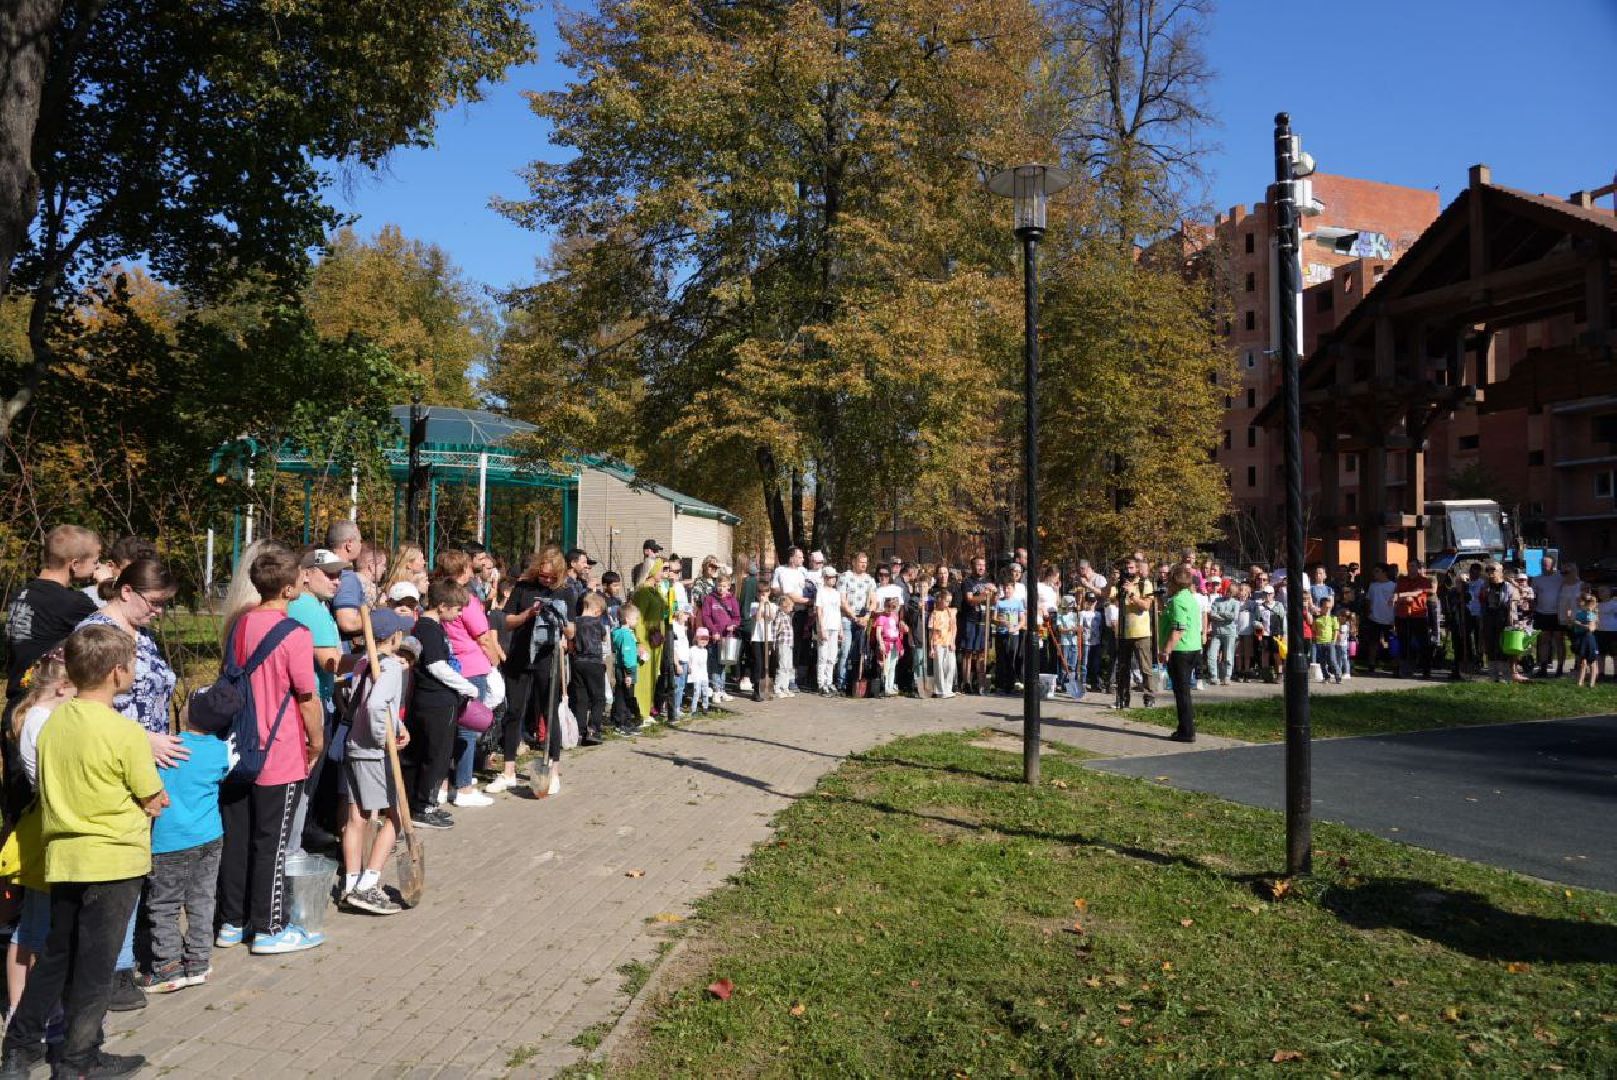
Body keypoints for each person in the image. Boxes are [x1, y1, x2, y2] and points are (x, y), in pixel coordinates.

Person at [0, 625, 165, 1079]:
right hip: (113, 860)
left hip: (65, 857)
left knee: (56, 955)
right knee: (95, 968)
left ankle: (18, 1048)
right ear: (118, 672)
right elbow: (151, 796)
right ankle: (76, 1062)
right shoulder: (124, 732)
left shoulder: (50, 724)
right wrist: (151, 799)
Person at [215, 546, 327, 957]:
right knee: (272, 843)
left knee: (238, 837)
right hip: (279, 750)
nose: (303, 580)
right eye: (299, 576)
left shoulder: (241, 625)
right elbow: (307, 697)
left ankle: (231, 921)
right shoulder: (295, 634)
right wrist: (316, 741)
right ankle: (269, 926)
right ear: (287, 587)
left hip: (238, 747)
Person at [139, 688, 232, 992]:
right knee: (202, 899)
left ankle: (167, 967)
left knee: (164, 904)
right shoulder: (219, 751)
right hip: (209, 836)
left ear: (188, 712)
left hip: (170, 841)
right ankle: (198, 961)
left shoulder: (167, 751)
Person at [337, 608, 412, 917]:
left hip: (353, 746)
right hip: (372, 751)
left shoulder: (363, 662)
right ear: (393, 637)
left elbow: (355, 698)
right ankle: (369, 883)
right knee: (396, 815)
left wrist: (398, 726)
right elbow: (378, 704)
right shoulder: (392, 667)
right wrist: (384, 736)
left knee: (357, 817)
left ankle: (350, 884)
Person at [496, 548, 574, 795]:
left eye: (551, 577)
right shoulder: (523, 588)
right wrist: (528, 614)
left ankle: (552, 770)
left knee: (549, 712)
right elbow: (506, 622)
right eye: (543, 576)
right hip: (519, 657)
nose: (547, 581)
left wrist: (561, 621)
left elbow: (572, 632)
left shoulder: (565, 591)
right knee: (514, 711)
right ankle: (508, 771)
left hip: (547, 658)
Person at [5, 525, 101, 721]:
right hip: (44, 708)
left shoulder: (20, 595)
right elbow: (110, 630)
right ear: (75, 564)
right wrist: (107, 585)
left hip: (15, 706)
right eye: (95, 561)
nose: (97, 568)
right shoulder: (71, 603)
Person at [436, 549, 502, 808]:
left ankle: (442, 784)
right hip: (471, 667)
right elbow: (483, 636)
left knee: (447, 729)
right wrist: (494, 663)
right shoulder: (466, 600)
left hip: (446, 666)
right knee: (468, 728)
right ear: (463, 572)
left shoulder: (436, 596)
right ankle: (463, 786)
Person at [1160, 565, 1201, 742]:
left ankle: (1187, 731)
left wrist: (1166, 650)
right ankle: (1184, 727)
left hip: (1180, 650)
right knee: (1183, 691)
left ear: (1175, 582)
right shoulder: (1190, 597)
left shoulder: (1177, 600)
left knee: (1182, 692)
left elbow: (1179, 628)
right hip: (1193, 647)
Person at [1111, 557, 1156, 708]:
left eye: (1131, 568)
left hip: (1141, 632)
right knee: (1123, 667)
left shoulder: (1145, 583)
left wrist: (1132, 594)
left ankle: (1149, 697)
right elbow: (1108, 596)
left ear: (1137, 569)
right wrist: (1112, 582)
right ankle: (1123, 698)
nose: (1128, 571)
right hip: (1124, 632)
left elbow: (1146, 606)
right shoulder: (1121, 584)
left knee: (1145, 667)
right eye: (1126, 568)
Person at [570, 592, 610, 745]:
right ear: (597, 610)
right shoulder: (597, 623)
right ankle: (593, 729)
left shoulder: (575, 622)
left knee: (581, 698)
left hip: (578, 662)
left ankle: (579, 731)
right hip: (594, 662)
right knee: (598, 698)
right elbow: (604, 637)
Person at [1477, 563, 1521, 684]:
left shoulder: (1508, 586)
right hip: (1489, 617)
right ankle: (1493, 675)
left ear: (1501, 571)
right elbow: (1481, 600)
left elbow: (1516, 598)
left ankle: (1505, 675)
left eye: (1493, 569)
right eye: (1488, 569)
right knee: (1490, 646)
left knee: (1502, 646)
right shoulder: (1485, 586)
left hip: (1503, 617)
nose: (1490, 572)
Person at [700, 575, 740, 702]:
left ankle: (722, 689)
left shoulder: (732, 599)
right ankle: (716, 690)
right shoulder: (710, 599)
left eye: (724, 586)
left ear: (728, 586)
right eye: (719, 586)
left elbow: (737, 617)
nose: (721, 589)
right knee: (715, 664)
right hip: (715, 637)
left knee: (723, 664)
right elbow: (706, 617)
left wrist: (732, 625)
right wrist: (714, 631)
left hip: (727, 636)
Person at [325, 521, 366, 640]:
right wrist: (382, 619)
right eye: (360, 540)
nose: (361, 544)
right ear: (349, 544)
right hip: (338, 651)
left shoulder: (319, 571)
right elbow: (348, 623)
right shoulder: (346, 576)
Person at [1393, 558, 1434, 678]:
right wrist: (1402, 597)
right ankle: (1405, 669)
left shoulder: (1424, 581)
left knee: (1423, 644)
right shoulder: (1401, 580)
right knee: (1404, 643)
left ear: (1418, 567)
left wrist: (1402, 596)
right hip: (1402, 614)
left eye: (1413, 566)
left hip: (1418, 615)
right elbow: (1395, 597)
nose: (1410, 568)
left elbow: (1419, 593)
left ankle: (1426, 670)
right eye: (1409, 566)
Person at [610, 604, 645, 735]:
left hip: (626, 668)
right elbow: (626, 655)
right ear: (627, 619)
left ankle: (626, 721)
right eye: (635, 619)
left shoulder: (626, 634)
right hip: (626, 670)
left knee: (624, 696)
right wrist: (628, 673)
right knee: (624, 697)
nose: (637, 621)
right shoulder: (625, 635)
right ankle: (621, 723)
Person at [1528, 556, 1565, 678]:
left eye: (1547, 564)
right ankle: (1543, 668)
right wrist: (1532, 611)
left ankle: (1560, 668)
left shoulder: (1561, 578)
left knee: (1559, 641)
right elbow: (1533, 597)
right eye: (1542, 564)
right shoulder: (1537, 579)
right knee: (1544, 641)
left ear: (1553, 565)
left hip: (1558, 614)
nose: (1544, 567)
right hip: (1542, 613)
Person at [1363, 565, 1397, 676]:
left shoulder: (1393, 586)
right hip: (1374, 618)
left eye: (1377, 571)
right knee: (1373, 643)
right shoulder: (1373, 586)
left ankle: (1394, 665)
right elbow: (1368, 600)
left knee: (1392, 643)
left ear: (1384, 572)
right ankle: (1371, 665)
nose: (1374, 574)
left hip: (1389, 619)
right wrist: (1368, 612)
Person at [814, 565, 843, 695]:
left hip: (834, 627)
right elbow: (819, 611)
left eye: (834, 577)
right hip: (825, 626)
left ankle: (829, 681)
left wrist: (840, 629)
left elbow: (838, 611)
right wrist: (821, 628)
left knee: (832, 656)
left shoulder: (836, 593)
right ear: (825, 578)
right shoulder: (821, 592)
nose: (833, 580)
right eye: (831, 577)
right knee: (823, 656)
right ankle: (821, 683)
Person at [1207, 585, 1240, 686]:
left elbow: (1234, 616)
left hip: (1230, 632)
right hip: (1216, 632)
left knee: (1228, 655)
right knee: (1211, 654)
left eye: (1231, 592)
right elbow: (1212, 614)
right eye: (1228, 591)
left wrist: (1220, 614)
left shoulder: (1236, 603)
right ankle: (1214, 676)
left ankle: (1227, 676)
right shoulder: (1217, 600)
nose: (1228, 593)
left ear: (1234, 593)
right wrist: (1224, 616)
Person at [748, 586, 776, 701]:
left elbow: (771, 617)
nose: (762, 594)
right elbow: (758, 618)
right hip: (757, 638)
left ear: (769, 592)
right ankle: (756, 690)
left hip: (767, 638)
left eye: (765, 591)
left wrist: (767, 603)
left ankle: (765, 689)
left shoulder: (772, 605)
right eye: (760, 592)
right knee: (758, 664)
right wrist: (761, 604)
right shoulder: (754, 605)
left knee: (766, 664)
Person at [874, 596, 905, 696]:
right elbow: (878, 632)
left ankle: (890, 686)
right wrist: (881, 643)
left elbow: (896, 630)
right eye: (888, 606)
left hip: (895, 643)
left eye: (892, 607)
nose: (890, 609)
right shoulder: (881, 618)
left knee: (893, 665)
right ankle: (885, 686)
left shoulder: (895, 616)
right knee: (886, 666)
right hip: (886, 643)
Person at [930, 589, 957, 698]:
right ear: (940, 600)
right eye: (946, 601)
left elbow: (954, 628)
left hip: (948, 642)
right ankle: (940, 690)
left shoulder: (951, 612)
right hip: (938, 642)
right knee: (939, 667)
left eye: (949, 601)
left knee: (950, 666)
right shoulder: (934, 613)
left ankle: (948, 688)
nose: (947, 604)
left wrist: (953, 641)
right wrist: (931, 647)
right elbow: (931, 632)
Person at [1572, 591, 1599, 687]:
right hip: (1581, 638)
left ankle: (1592, 683)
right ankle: (1580, 682)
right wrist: (1579, 624)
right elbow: (1574, 623)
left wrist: (1580, 624)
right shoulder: (1579, 613)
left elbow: (1591, 628)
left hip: (1589, 638)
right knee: (1582, 661)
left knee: (1592, 661)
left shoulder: (1592, 614)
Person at [772, 596, 797, 697]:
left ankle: (785, 687)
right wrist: (773, 644)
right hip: (782, 644)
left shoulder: (787, 616)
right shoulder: (779, 616)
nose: (792, 608)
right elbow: (774, 631)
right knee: (782, 666)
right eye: (790, 606)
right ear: (784, 606)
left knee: (788, 666)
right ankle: (778, 687)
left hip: (789, 644)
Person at [1313, 597, 1341, 683]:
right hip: (1320, 642)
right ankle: (1326, 676)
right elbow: (1314, 630)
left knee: (1332, 660)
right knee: (1322, 661)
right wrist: (1316, 639)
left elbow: (1336, 630)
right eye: (1326, 607)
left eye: (1329, 607)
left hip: (1330, 642)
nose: (1328, 609)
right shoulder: (1317, 619)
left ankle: (1338, 676)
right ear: (1321, 607)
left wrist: (1334, 640)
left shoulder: (1333, 618)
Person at [688, 627, 713, 714]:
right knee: (696, 693)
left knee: (705, 691)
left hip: (704, 675)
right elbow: (689, 661)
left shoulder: (705, 651)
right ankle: (693, 709)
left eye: (706, 639)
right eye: (701, 638)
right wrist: (689, 669)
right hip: (695, 675)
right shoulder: (692, 650)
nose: (703, 641)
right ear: (697, 639)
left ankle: (705, 707)